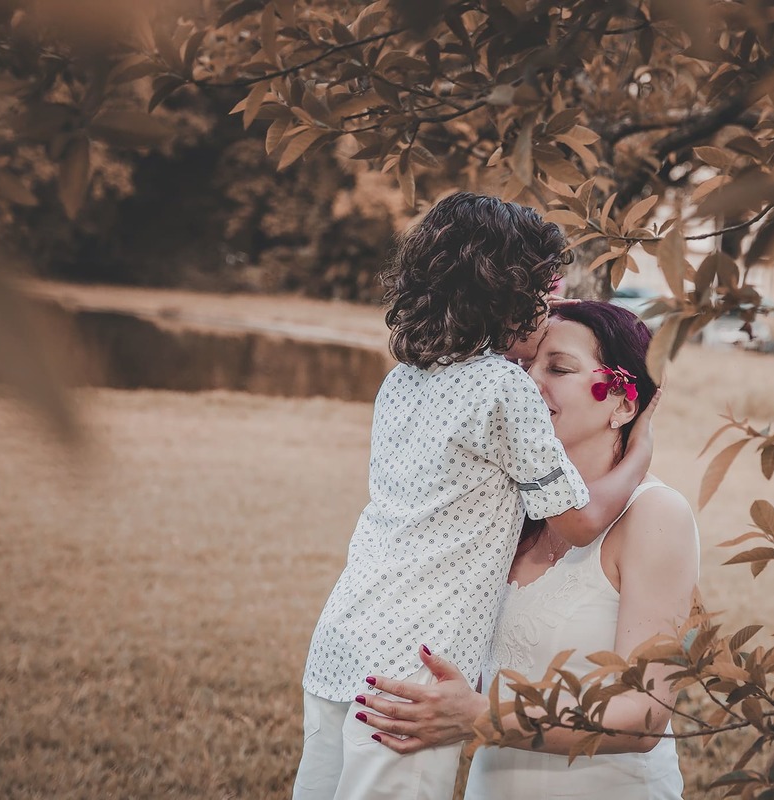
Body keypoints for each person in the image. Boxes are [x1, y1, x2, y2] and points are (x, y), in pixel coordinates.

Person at [292, 195, 659, 800]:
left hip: (343, 637)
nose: (549, 312)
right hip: (415, 666)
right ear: (512, 300)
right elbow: (583, 521)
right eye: (542, 298)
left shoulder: (404, 378)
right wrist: (640, 447)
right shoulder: (503, 389)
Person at [353, 301, 700, 799]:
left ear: (624, 402)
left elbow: (643, 714)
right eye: (521, 366)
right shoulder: (505, 503)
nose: (526, 384)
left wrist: (480, 715)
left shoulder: (655, 516)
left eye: (558, 368)